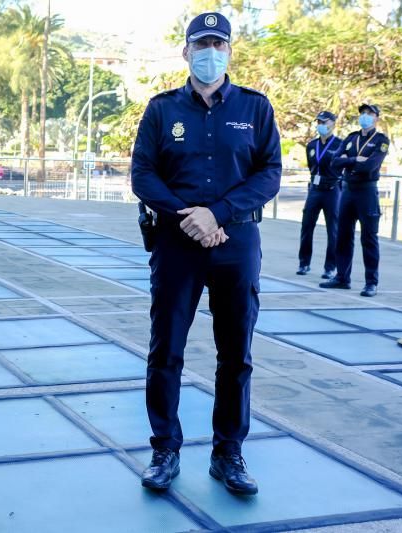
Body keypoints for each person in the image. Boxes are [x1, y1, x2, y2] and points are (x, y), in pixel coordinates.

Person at [131, 12, 281, 496]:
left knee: (235, 353)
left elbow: (269, 174)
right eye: (202, 45)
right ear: (186, 52)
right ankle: (164, 449)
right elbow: (143, 174)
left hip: (235, 243)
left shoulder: (256, 109)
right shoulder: (161, 109)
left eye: (218, 44)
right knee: (165, 349)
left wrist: (217, 214)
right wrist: (185, 216)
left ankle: (228, 453)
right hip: (177, 243)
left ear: (230, 52)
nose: (209, 52)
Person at [320, 104, 389, 297]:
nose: (365, 116)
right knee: (343, 235)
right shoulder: (352, 138)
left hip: (367, 192)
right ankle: (342, 277)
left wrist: (349, 160)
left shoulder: (381, 141)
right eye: (362, 113)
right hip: (348, 191)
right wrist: (355, 160)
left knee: (369, 237)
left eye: (369, 114)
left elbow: (371, 165)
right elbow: (334, 162)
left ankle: (371, 282)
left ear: (376, 118)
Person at [297, 111, 343, 278]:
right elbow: (312, 166)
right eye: (319, 122)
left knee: (333, 230)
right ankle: (304, 263)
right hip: (315, 189)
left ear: (333, 123)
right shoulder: (312, 145)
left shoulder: (340, 144)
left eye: (324, 122)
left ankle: (330, 267)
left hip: (332, 190)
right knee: (307, 226)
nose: (321, 125)